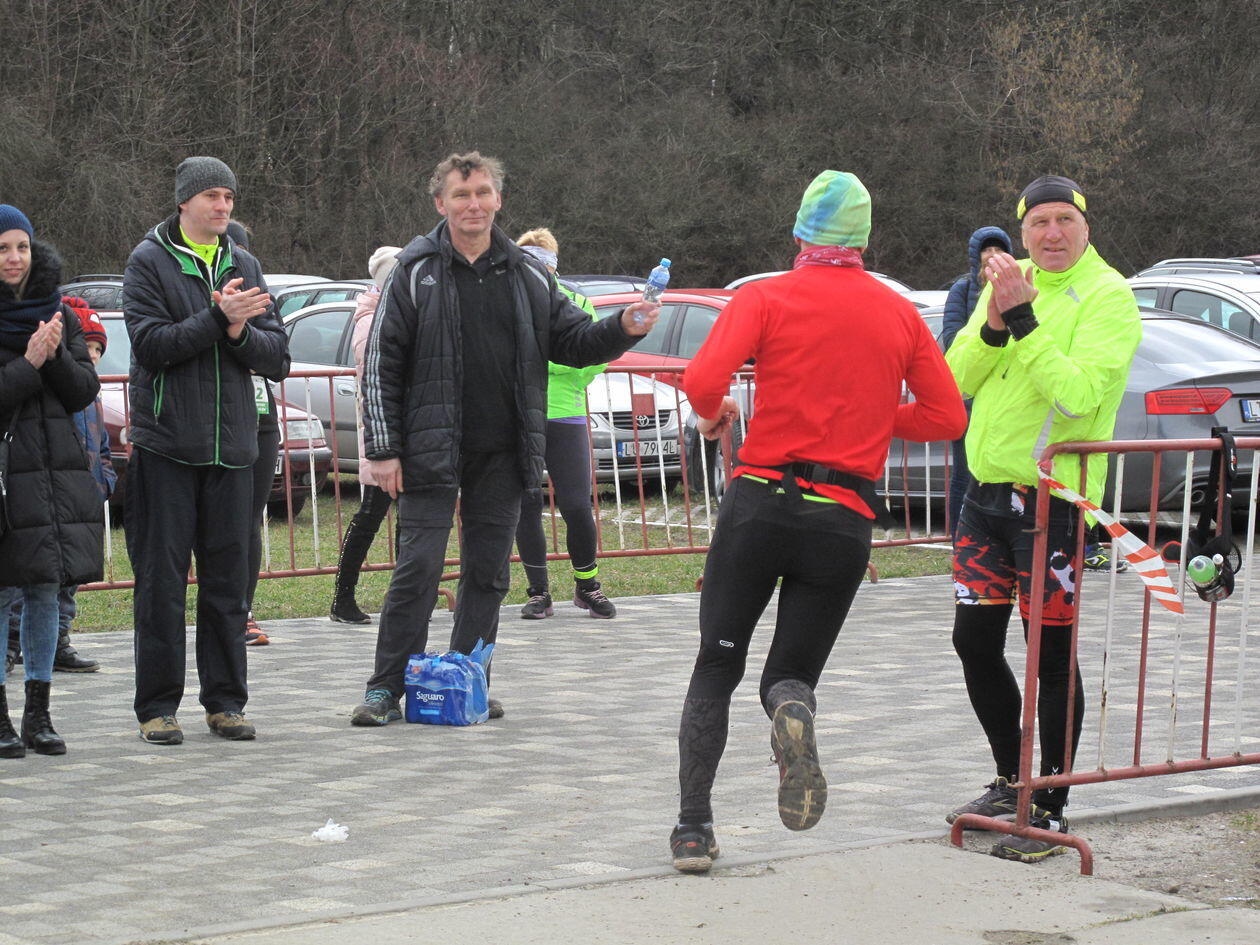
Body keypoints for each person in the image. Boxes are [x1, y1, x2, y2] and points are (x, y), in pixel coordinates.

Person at [669, 171, 967, 872]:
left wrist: (714, 415)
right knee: (790, 673)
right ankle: (790, 710)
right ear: (864, 238)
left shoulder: (764, 296)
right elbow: (948, 416)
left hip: (761, 502)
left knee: (717, 664)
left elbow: (703, 381)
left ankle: (693, 828)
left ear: (800, 232)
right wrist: (872, 414)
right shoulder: (898, 313)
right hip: (842, 519)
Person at [351, 150, 658, 726]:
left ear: (498, 199)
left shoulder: (528, 273)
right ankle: (384, 689)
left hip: (504, 451)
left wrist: (622, 327)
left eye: (483, 193)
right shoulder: (414, 271)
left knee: (488, 573)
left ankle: (468, 680)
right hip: (429, 450)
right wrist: (385, 450)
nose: (474, 204)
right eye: (461, 195)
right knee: (417, 570)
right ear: (440, 203)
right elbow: (380, 367)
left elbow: (573, 341)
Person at [944, 175, 1140, 862]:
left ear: (1086, 226)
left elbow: (1079, 395)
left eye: (1064, 220)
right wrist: (995, 322)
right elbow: (956, 378)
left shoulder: (1109, 295)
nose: (1052, 234)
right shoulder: (1008, 282)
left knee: (1048, 656)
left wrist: (1024, 321)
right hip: (985, 496)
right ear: (1022, 229)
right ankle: (1011, 781)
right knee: (973, 641)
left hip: (1052, 503)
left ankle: (1050, 806)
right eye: (1038, 223)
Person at [123, 157, 290, 745]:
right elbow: (151, 346)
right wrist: (219, 318)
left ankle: (225, 703)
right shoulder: (149, 260)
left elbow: (278, 357)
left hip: (234, 451)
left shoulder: (245, 264)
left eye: (229, 197)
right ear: (184, 202)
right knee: (161, 586)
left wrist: (241, 332)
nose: (223, 206)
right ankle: (157, 708)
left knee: (227, 587)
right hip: (167, 448)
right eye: (212, 196)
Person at [0, 205, 105, 758]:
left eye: (21, 246)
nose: (14, 258)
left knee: (44, 587)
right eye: (2, 248)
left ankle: (38, 715)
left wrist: (54, 354)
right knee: (1, 593)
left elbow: (83, 391)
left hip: (52, 474)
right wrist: (28, 362)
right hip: (4, 476)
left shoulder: (57, 310)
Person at [512, 228, 615, 620]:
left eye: (544, 266)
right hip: (520, 414)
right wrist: (557, 363)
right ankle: (538, 591)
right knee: (527, 503)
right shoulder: (510, 301)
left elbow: (593, 356)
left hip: (565, 414)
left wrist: (548, 365)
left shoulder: (577, 302)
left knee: (576, 505)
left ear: (554, 267)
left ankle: (587, 585)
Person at [329, 245, 402, 624]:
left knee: (410, 520)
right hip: (380, 433)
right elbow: (375, 369)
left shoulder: (399, 311)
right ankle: (342, 597)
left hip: (407, 432)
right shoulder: (370, 318)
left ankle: (406, 596)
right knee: (371, 514)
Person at [228, 219, 281, 647]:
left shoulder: (262, 299)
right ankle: (223, 609)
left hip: (261, 419)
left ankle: (244, 610)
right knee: (223, 522)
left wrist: (248, 337)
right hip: (218, 423)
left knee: (249, 521)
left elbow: (278, 359)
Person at [941, 226, 1012, 540]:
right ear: (976, 256)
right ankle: (960, 540)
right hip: (968, 398)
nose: (993, 256)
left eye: (999, 250)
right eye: (987, 250)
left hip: (1003, 399)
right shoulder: (962, 290)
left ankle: (991, 542)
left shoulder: (1017, 286)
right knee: (964, 473)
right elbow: (952, 339)